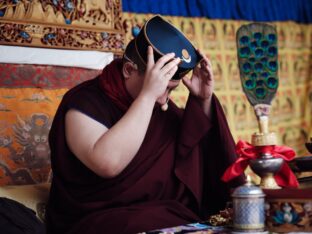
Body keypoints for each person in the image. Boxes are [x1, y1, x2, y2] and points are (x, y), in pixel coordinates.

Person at [46, 16, 244, 234]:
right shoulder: (84, 102)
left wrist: (203, 101)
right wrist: (148, 96)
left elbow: (199, 159)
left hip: (163, 215)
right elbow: (107, 163)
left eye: (171, 89)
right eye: (161, 87)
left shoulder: (160, 107)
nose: (164, 99)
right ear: (129, 70)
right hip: (96, 220)